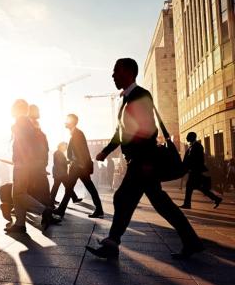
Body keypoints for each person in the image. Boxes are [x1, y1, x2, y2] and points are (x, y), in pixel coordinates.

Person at [87, 58, 203, 260]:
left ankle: (113, 243)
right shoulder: (126, 99)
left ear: (129, 72)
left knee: (123, 198)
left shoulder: (140, 95)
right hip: (140, 162)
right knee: (159, 203)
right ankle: (191, 241)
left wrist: (147, 162)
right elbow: (120, 132)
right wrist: (106, 151)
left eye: (116, 71)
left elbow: (148, 131)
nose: (113, 75)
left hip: (142, 162)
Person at [5, 99, 61, 234]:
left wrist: (20, 160)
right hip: (25, 163)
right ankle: (20, 224)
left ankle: (44, 211)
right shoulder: (28, 123)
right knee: (18, 194)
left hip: (22, 164)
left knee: (18, 194)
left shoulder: (21, 122)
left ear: (18, 109)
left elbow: (23, 145)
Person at [54, 114, 104, 218]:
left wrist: (80, 164)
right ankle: (99, 209)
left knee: (73, 188)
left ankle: (61, 210)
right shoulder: (75, 133)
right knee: (85, 187)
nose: (65, 122)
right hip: (78, 166)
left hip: (78, 167)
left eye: (67, 120)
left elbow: (82, 150)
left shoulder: (77, 134)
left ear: (71, 122)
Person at [180, 132, 222, 209]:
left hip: (195, 171)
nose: (186, 138)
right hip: (193, 171)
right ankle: (216, 199)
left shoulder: (198, 146)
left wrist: (192, 167)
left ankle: (187, 204)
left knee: (190, 187)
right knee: (198, 187)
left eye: (188, 136)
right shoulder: (191, 146)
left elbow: (199, 160)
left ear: (192, 137)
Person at [27, 104, 52, 206]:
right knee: (41, 186)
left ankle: (46, 207)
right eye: (37, 111)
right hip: (36, 163)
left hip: (36, 163)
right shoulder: (31, 124)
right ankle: (47, 209)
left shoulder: (33, 124)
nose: (39, 113)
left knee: (34, 186)